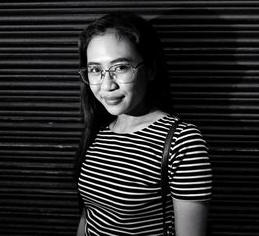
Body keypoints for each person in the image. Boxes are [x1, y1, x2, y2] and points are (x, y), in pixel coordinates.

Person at [74, 12, 212, 236]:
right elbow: (90, 215)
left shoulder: (182, 141)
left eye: (120, 67)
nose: (106, 85)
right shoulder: (98, 131)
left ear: (151, 69)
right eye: (95, 70)